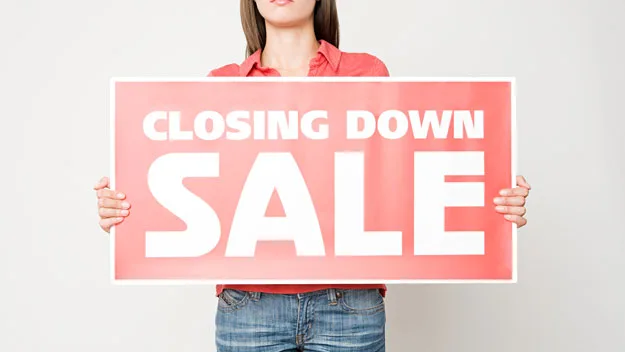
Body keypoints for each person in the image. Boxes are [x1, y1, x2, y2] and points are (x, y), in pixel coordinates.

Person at [94, 0, 531, 351]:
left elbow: (398, 179)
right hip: (248, 307)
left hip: (350, 306)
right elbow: (207, 191)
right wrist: (129, 208)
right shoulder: (220, 85)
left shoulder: (367, 73)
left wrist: (490, 200)